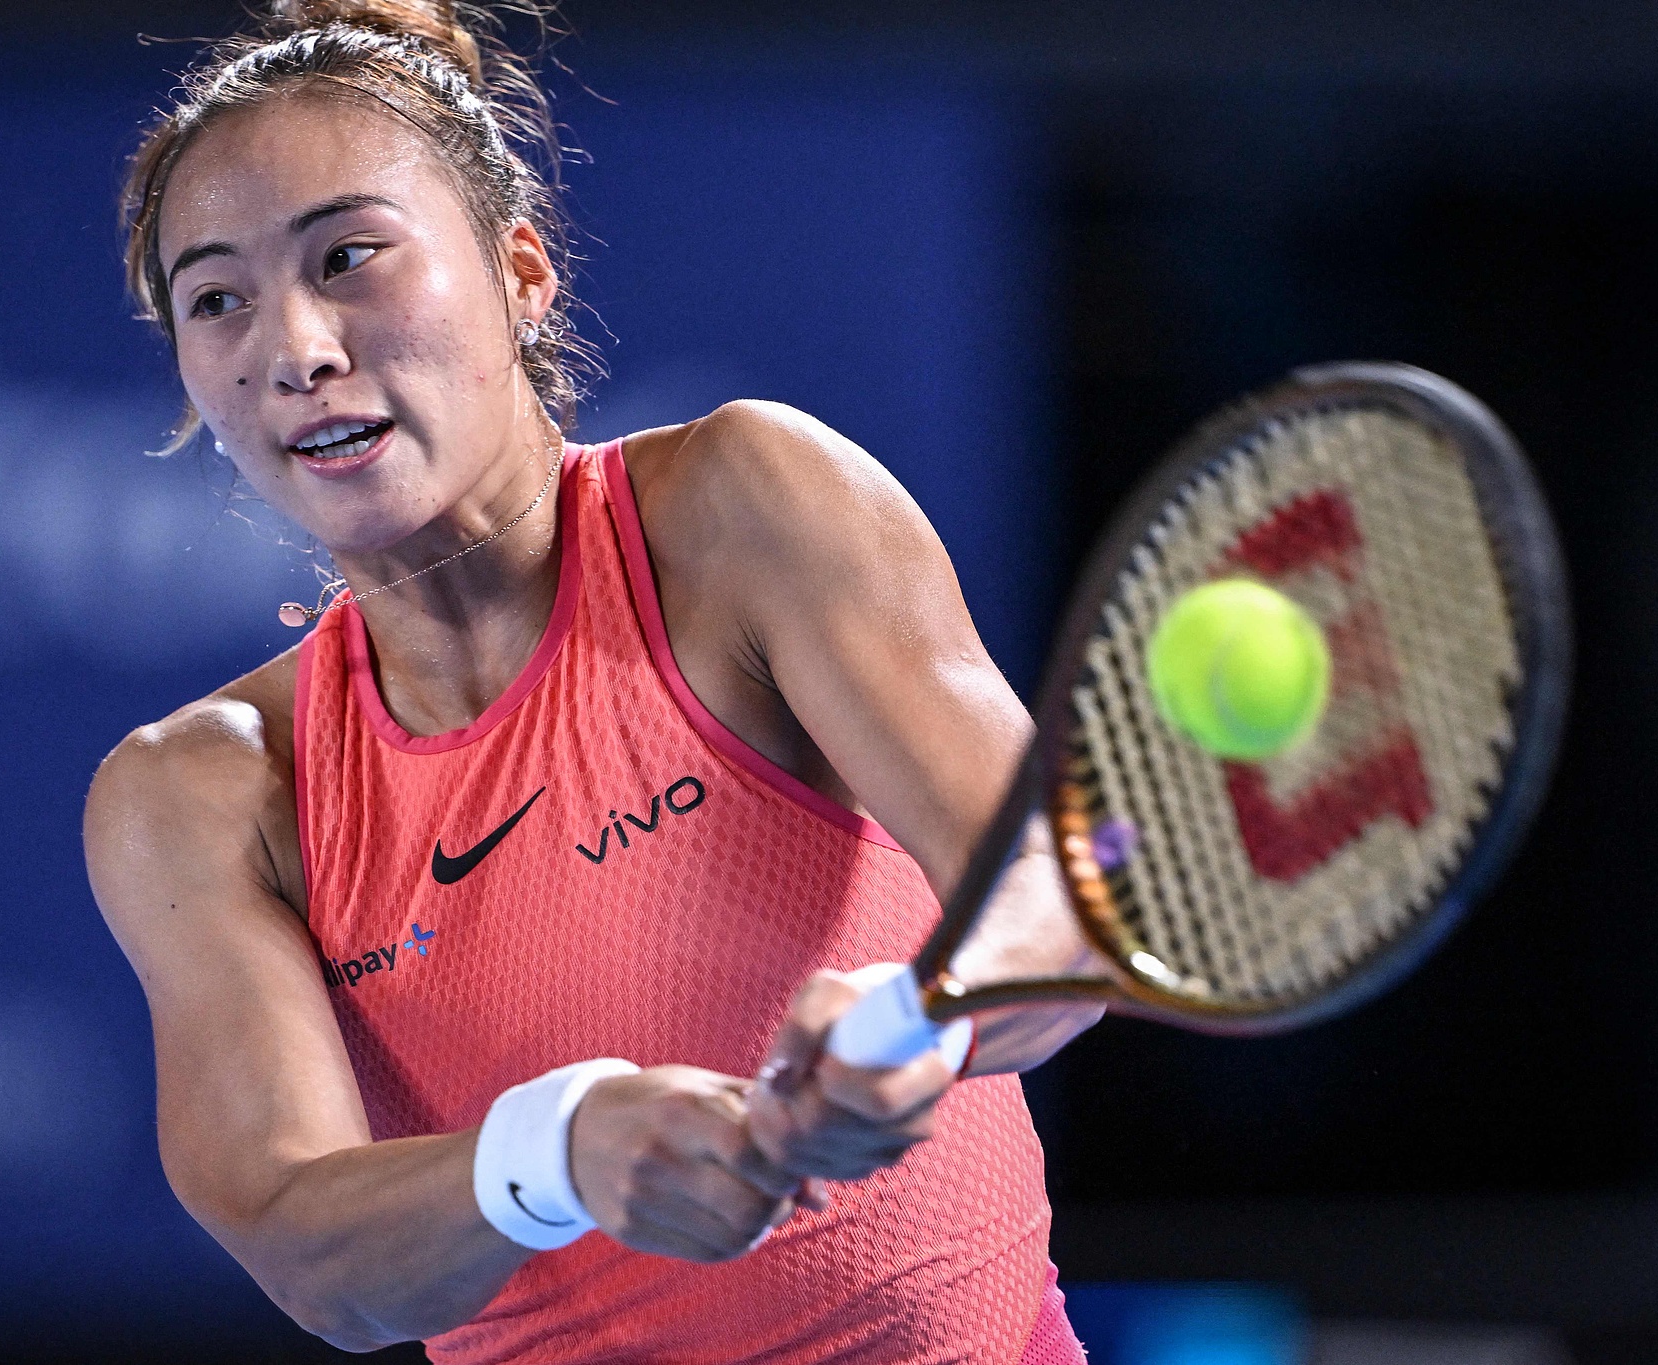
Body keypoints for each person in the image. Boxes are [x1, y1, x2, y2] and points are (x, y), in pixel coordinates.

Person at [82, 2, 1104, 1359]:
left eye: (351, 258)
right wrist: (553, 1150)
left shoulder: (746, 508)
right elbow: (308, 1244)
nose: (298, 347)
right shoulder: (203, 790)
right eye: (218, 298)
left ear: (521, 272)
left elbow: (1055, 910)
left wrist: (922, 1025)